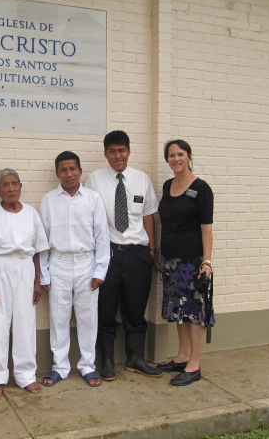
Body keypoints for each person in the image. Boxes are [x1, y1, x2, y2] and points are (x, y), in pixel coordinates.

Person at [85, 130, 161, 380]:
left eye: (122, 150)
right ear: (105, 153)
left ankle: (135, 359)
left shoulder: (142, 179)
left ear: (129, 151)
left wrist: (151, 249)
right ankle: (106, 362)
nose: (117, 156)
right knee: (106, 310)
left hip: (138, 255)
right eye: (112, 151)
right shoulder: (94, 180)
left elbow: (148, 214)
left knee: (135, 310)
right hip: (109, 257)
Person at [0, 169, 49, 400]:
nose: (11, 189)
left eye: (14, 184)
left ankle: (26, 375)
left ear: (21, 186)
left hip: (25, 269)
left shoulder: (31, 214)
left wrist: (37, 280)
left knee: (25, 323)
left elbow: (37, 251)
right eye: (5, 185)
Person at [39, 151, 110, 388]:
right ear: (57, 173)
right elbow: (43, 239)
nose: (69, 174)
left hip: (86, 263)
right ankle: (60, 366)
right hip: (58, 262)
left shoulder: (93, 199)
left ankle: (88, 365)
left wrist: (99, 271)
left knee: (87, 317)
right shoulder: (49, 200)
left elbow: (102, 237)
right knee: (58, 317)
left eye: (73, 169)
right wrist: (44, 272)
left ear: (80, 171)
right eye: (63, 170)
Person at [157, 139, 215, 386]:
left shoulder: (201, 188)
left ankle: (194, 364)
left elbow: (207, 228)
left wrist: (207, 262)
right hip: (171, 261)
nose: (176, 159)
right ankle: (181, 357)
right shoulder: (168, 185)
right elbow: (167, 223)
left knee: (195, 314)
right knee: (179, 311)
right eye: (171, 155)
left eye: (180, 154)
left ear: (189, 156)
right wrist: (160, 252)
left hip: (193, 262)